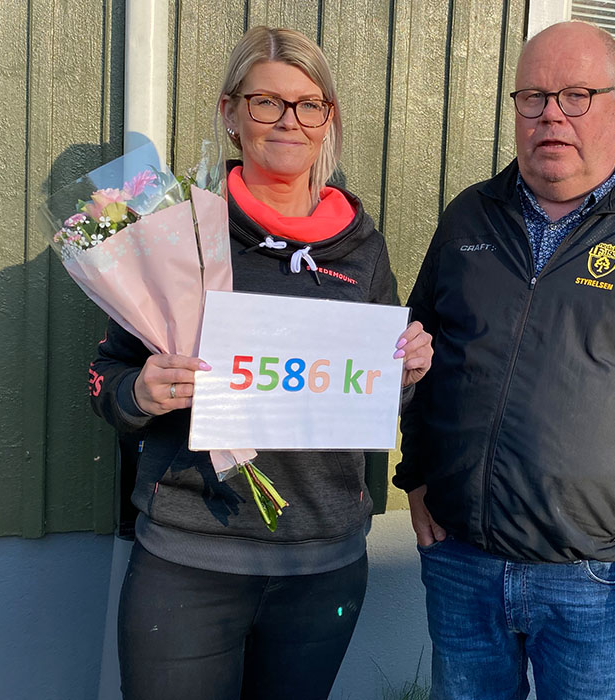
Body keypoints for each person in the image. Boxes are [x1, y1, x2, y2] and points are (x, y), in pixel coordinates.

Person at [395, 20, 615, 700]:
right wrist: (414, 477)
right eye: (532, 96)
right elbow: (416, 357)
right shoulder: (469, 218)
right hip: (462, 562)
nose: (551, 115)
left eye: (576, 95)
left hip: (595, 576)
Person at [91, 26, 432, 700]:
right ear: (231, 112)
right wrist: (140, 393)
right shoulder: (180, 230)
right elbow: (107, 377)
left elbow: (379, 396)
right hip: (190, 559)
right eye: (267, 102)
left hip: (322, 563)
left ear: (327, 119)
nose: (288, 121)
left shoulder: (361, 247)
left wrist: (405, 374)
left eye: (309, 104)